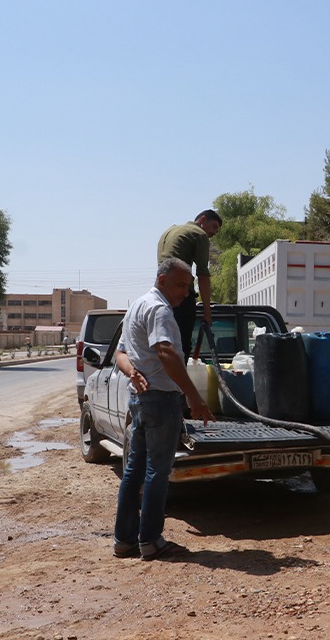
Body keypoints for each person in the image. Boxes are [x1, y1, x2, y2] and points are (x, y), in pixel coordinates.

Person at [112, 257, 212, 561]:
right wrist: (193, 397)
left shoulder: (137, 306)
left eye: (189, 286)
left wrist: (132, 372)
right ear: (162, 280)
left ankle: (124, 540)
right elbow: (166, 352)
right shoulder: (159, 310)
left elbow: (120, 353)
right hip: (160, 401)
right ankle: (151, 541)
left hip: (141, 401)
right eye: (181, 285)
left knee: (134, 471)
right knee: (158, 471)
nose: (185, 293)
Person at [158, 209, 222, 359]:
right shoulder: (199, 234)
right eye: (213, 226)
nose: (214, 233)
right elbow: (203, 275)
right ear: (203, 220)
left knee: (164, 343)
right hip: (180, 298)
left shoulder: (169, 231)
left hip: (160, 295)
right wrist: (207, 311)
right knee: (181, 347)